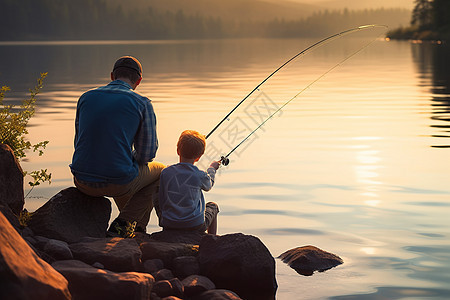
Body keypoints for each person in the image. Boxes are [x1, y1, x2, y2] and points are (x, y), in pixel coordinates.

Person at [70, 55, 164, 238]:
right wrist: (129, 158)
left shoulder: (85, 97)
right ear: (139, 80)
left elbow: (78, 142)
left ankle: (136, 230)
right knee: (162, 173)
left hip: (81, 179)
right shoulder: (142, 103)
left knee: (125, 167)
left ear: (112, 76)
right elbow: (147, 155)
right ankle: (127, 223)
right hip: (118, 183)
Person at [157, 130, 220, 234]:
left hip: (169, 223)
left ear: (178, 150)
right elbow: (209, 185)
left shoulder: (166, 172)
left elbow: (161, 199)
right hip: (194, 225)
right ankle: (211, 239)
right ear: (199, 157)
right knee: (213, 206)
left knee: (156, 192)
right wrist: (212, 169)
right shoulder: (200, 175)